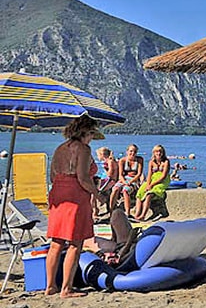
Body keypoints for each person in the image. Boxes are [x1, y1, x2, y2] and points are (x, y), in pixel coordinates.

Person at [45, 115, 103, 297]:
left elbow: (52, 176)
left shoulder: (60, 148)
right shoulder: (83, 149)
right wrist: (98, 194)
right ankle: (66, 288)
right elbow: (83, 178)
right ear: (87, 132)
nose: (92, 138)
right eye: (92, 134)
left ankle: (50, 286)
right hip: (75, 194)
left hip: (58, 193)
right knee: (75, 243)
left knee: (56, 243)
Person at [133, 145, 171, 221]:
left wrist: (152, 185)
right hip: (152, 179)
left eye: (160, 151)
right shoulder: (151, 162)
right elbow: (149, 174)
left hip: (162, 181)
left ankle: (143, 215)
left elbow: (163, 176)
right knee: (140, 193)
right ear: (154, 153)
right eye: (157, 151)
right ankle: (137, 214)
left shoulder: (166, 162)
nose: (158, 153)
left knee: (149, 194)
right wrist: (148, 184)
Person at [110, 145, 144, 216]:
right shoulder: (122, 160)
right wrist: (124, 182)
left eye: (135, 151)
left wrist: (130, 182)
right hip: (124, 179)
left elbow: (139, 174)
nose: (133, 153)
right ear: (127, 152)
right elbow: (120, 175)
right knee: (115, 189)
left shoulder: (139, 160)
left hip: (134, 179)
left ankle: (127, 212)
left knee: (125, 190)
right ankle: (111, 210)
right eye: (131, 151)